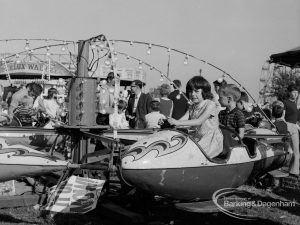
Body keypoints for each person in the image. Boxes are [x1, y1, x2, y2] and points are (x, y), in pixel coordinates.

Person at [168, 76, 223, 158]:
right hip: (198, 136)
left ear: (204, 91)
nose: (193, 94)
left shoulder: (210, 104)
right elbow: (183, 119)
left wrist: (177, 122)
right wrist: (170, 122)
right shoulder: (192, 106)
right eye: (190, 91)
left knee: (192, 154)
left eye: (196, 91)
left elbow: (199, 121)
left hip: (210, 139)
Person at [283, 84, 299, 178]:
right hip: (288, 126)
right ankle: (280, 167)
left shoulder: (295, 104)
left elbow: (296, 119)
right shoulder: (285, 102)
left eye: (296, 92)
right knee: (288, 150)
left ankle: (294, 171)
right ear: (289, 93)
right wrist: (285, 127)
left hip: (295, 127)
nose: (295, 94)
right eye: (293, 92)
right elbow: (283, 116)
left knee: (296, 150)